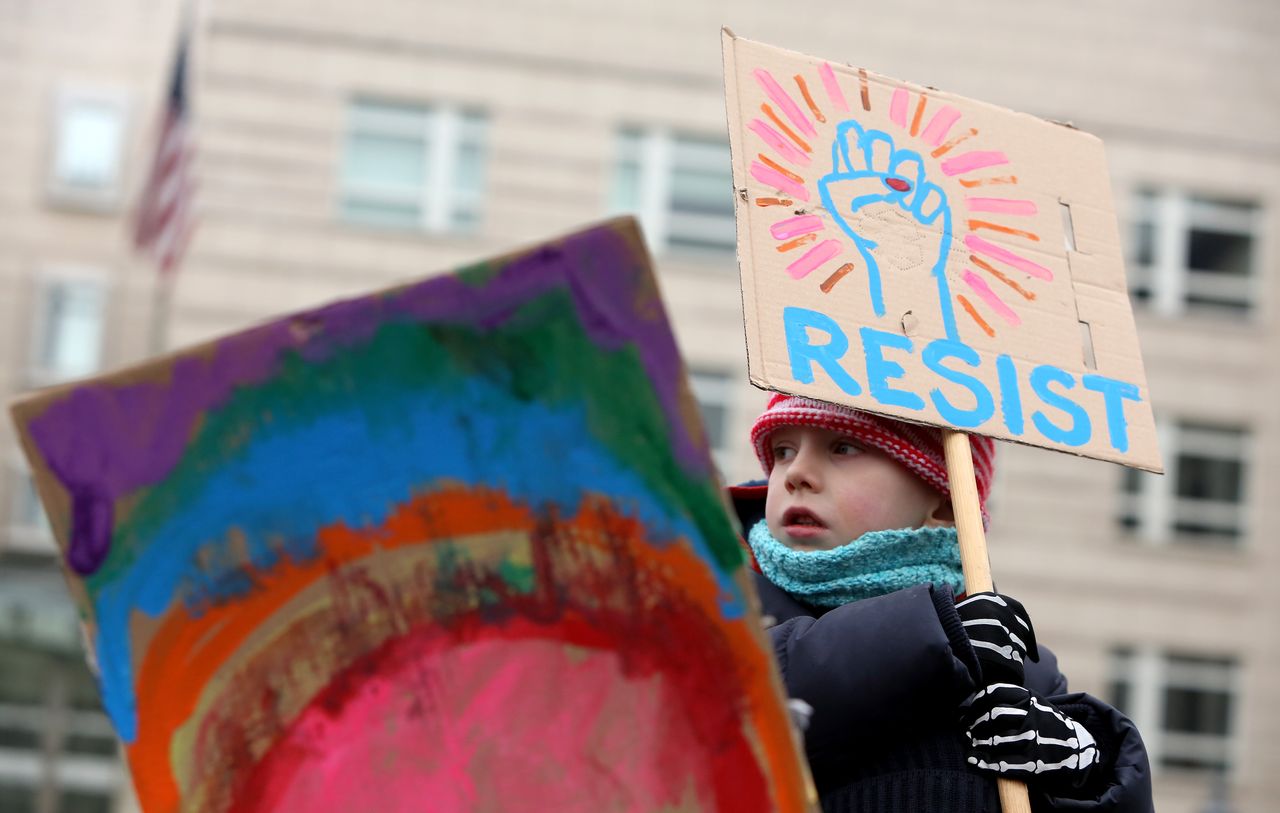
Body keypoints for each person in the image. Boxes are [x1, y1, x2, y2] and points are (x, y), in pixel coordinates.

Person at [731, 393, 1154, 812]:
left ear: (948, 505)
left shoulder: (1020, 665)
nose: (795, 473)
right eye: (783, 451)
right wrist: (932, 633)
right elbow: (737, 713)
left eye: (844, 447)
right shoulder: (718, 607)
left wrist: (1086, 774)